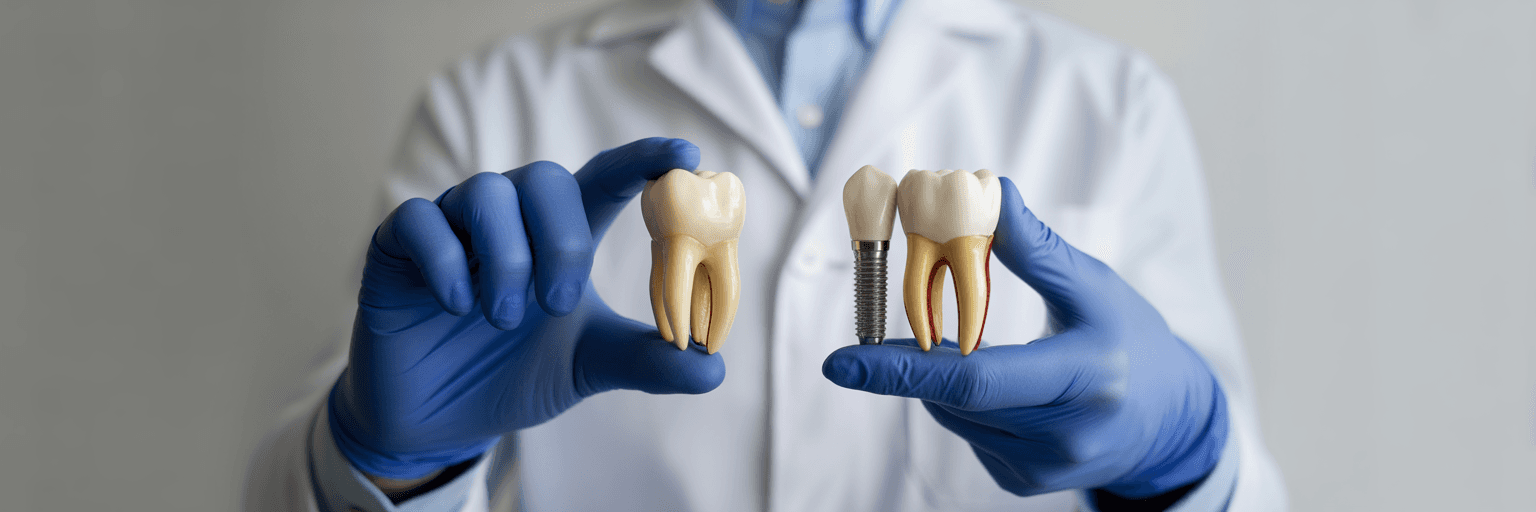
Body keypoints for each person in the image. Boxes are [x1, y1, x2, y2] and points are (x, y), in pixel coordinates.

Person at [244, 0, 1289, 510]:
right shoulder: (493, 103)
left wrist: (1186, 457)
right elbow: (283, 488)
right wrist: (390, 458)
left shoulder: (1108, 102)